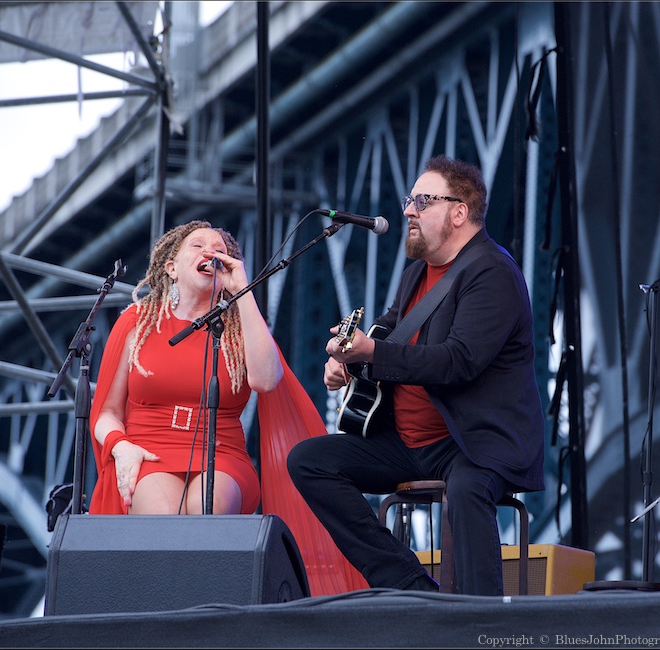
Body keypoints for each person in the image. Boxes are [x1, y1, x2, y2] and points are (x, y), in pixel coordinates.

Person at [287, 155, 545, 596]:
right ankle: (408, 584)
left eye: (422, 201)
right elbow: (388, 331)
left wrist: (374, 353)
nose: (408, 210)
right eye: (410, 200)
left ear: (459, 212)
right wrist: (349, 359)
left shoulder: (493, 272)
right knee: (309, 462)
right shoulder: (415, 275)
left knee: (466, 491)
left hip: (470, 442)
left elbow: (458, 361)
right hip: (407, 444)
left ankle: (480, 620)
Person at [88, 220, 283, 515]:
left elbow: (267, 380)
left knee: (207, 509)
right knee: (163, 517)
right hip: (148, 450)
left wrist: (243, 291)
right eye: (198, 246)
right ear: (172, 268)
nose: (211, 253)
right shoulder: (136, 322)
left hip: (221, 455)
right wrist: (121, 447)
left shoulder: (241, 328)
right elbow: (107, 412)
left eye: (220, 250)